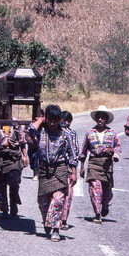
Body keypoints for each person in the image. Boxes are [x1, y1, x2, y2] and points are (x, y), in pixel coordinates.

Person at [29, 104, 78, 242]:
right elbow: (30, 130)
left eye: (55, 120)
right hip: (45, 171)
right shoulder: (41, 131)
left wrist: (73, 173)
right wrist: (41, 120)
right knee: (43, 202)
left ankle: (56, 229)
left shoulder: (65, 134)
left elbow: (73, 154)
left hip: (61, 170)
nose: (52, 123)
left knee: (58, 199)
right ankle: (47, 222)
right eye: (50, 119)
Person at [80, 105, 121, 224]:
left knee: (106, 191)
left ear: (106, 119)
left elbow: (118, 146)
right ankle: (97, 213)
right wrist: (82, 167)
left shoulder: (112, 133)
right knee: (95, 188)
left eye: (102, 118)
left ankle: (105, 205)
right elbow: (84, 151)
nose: (100, 120)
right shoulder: (90, 133)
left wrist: (114, 154)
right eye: (98, 117)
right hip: (93, 164)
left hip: (107, 165)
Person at [0, 120, 28, 218]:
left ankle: (13, 203)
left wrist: (25, 156)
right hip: (0, 157)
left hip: (14, 157)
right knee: (0, 185)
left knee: (14, 181)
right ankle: (4, 209)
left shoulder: (15, 124)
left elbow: (22, 142)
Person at [60, 111, 79, 230]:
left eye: (67, 121)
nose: (65, 123)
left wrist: (74, 171)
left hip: (67, 167)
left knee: (68, 195)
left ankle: (64, 219)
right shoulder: (55, 132)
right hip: (57, 166)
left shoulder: (72, 134)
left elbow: (75, 151)